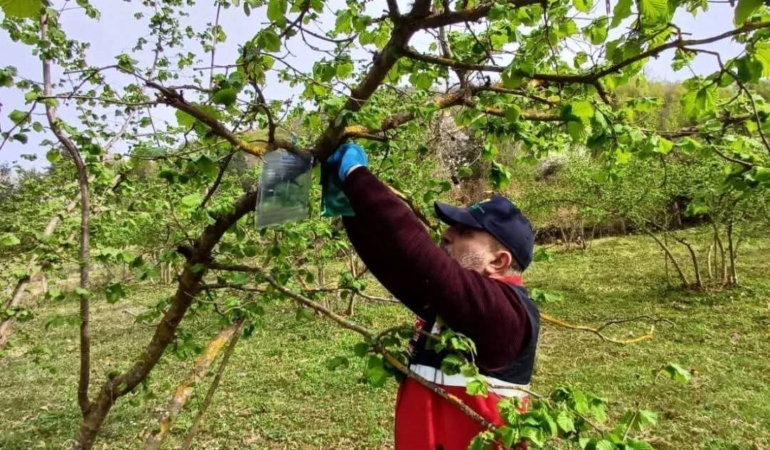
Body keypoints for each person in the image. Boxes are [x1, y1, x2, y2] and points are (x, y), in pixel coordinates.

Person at [327, 142, 540, 450]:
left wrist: (357, 175)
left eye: (464, 232)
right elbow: (392, 261)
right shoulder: (451, 304)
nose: (446, 234)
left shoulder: (507, 315)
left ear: (498, 261)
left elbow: (420, 255)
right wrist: (344, 196)